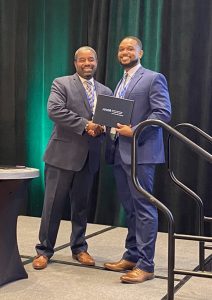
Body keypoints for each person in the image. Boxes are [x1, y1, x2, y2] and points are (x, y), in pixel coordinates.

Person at [32, 46, 112, 270]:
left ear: (97, 62)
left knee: (81, 206)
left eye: (91, 60)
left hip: (90, 158)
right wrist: (86, 125)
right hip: (62, 156)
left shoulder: (105, 90)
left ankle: (79, 248)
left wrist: (104, 127)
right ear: (75, 63)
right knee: (52, 206)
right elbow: (54, 110)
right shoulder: (62, 83)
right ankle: (44, 250)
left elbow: (110, 119)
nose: (88, 63)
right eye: (83, 60)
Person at [104, 36, 171, 283]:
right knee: (130, 209)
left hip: (141, 153)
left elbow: (162, 113)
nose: (124, 52)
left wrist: (135, 130)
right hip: (119, 153)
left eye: (130, 48)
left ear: (140, 53)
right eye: (121, 48)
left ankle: (146, 265)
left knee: (144, 209)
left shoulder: (153, 78)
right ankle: (131, 256)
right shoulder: (120, 82)